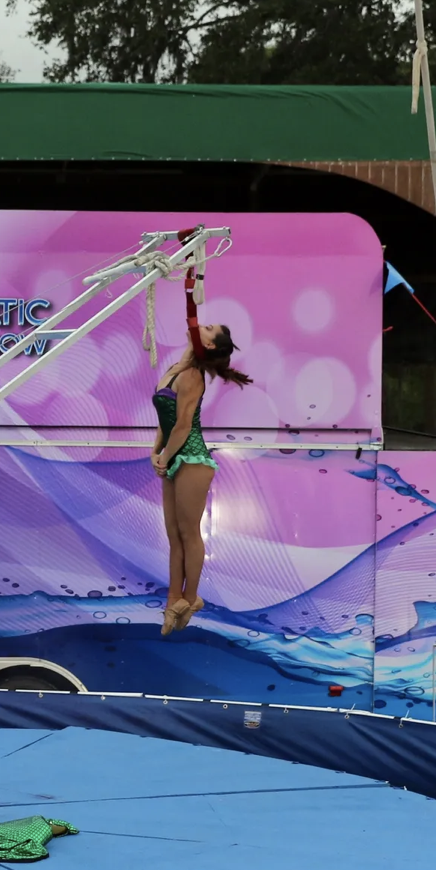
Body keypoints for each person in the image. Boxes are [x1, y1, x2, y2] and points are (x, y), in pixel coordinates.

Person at [151, 254, 252, 636]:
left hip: (191, 457)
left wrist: (165, 454)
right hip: (173, 456)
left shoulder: (193, 375)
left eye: (208, 328)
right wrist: (154, 450)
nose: (201, 327)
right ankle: (173, 600)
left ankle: (192, 596)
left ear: (208, 345)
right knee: (173, 536)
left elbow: (181, 426)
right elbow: (164, 418)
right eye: (205, 325)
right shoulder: (178, 366)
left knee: (189, 533)